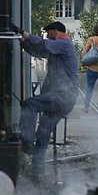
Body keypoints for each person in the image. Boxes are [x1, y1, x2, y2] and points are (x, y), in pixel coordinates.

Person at [19, 22, 79, 176]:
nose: (46, 35)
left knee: (30, 104)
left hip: (63, 96)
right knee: (43, 132)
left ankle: (26, 141)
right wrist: (22, 40)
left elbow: (41, 44)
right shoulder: (57, 49)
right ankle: (37, 170)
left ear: (55, 32)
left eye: (48, 32)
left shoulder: (64, 43)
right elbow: (36, 51)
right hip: (66, 99)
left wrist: (23, 33)